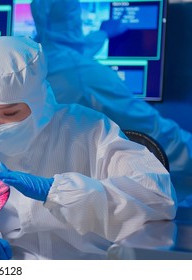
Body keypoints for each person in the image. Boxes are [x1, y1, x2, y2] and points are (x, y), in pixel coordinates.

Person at [0, 36, 177, 260]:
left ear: (38, 99)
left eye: (10, 113)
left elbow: (157, 197)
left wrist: (58, 191)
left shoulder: (89, 129)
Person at [30, 0, 192, 192]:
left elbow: (68, 56)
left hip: (34, 186)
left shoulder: (31, 61)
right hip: (78, 193)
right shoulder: (85, 74)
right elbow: (156, 134)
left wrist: (103, 33)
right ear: (73, 20)